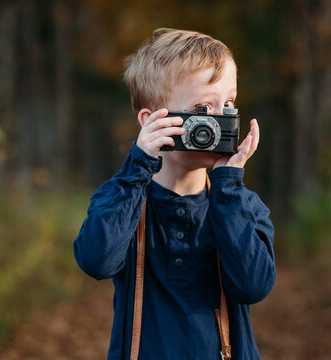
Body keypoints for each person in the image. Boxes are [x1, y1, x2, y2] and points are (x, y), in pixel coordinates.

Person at [73, 28, 276, 360]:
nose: (218, 119)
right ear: (152, 121)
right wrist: (138, 167)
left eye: (228, 103)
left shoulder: (241, 204)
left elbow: (253, 286)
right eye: (201, 107)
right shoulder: (124, 197)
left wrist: (228, 185)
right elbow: (96, 261)